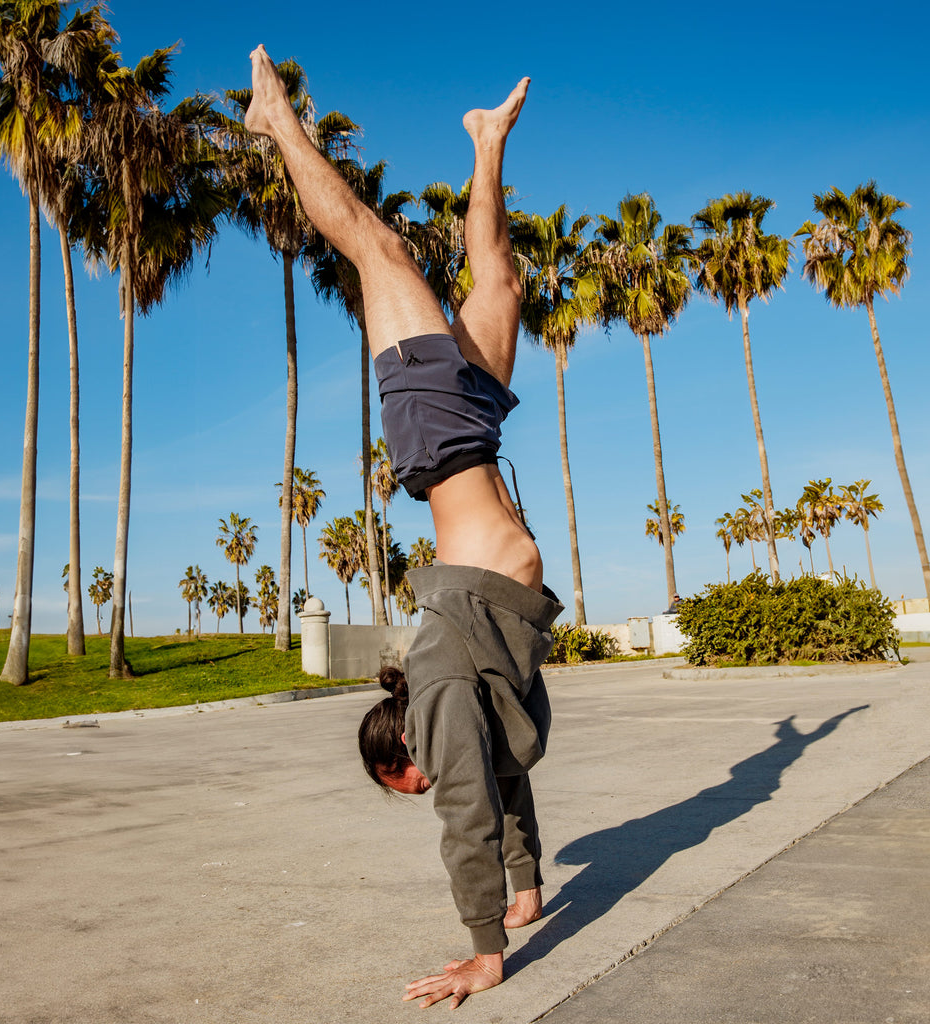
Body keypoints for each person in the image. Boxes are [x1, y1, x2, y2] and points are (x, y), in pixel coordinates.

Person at [246, 46, 562, 1009]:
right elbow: (502, 779)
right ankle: (486, 140)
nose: (434, 781)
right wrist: (526, 885)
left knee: (377, 248)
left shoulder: (438, 684)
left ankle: (276, 122)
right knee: (499, 284)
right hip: (478, 430)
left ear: (405, 747)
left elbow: (466, 805)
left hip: (437, 433)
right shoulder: (469, 699)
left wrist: (483, 951)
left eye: (412, 779)